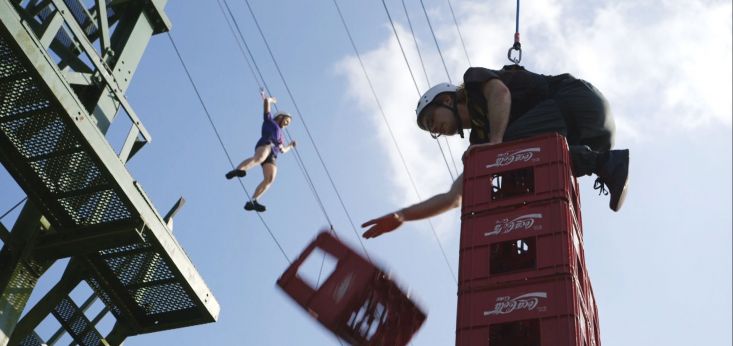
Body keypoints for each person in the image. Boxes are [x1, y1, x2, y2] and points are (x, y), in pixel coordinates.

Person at [362, 65, 629, 238]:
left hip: (579, 103)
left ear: (446, 100)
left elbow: (500, 93)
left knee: (505, 154)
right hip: (587, 135)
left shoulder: (475, 81)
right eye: (432, 131)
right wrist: (403, 216)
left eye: (433, 121)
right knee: (515, 172)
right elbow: (454, 197)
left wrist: (496, 142)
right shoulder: (482, 144)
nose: (438, 131)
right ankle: (602, 164)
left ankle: (606, 163)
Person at [225, 93, 296, 212]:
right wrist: (271, 100)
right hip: (266, 144)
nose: (287, 124)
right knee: (259, 158)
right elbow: (266, 103)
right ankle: (239, 169)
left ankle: (253, 201)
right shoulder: (270, 122)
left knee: (270, 178)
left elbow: (282, 150)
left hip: (273, 153)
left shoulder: (281, 138)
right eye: (286, 121)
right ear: (279, 117)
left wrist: (290, 146)